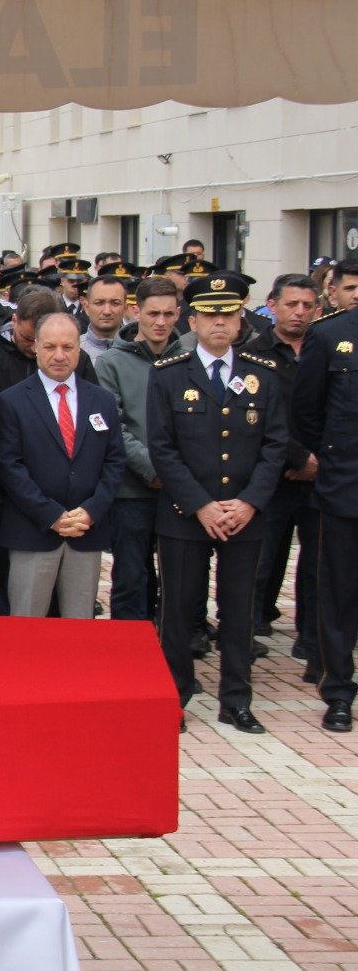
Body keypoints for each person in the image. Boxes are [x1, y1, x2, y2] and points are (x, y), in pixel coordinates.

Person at [147, 273, 287, 733]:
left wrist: (248, 503)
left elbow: (274, 446)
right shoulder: (169, 373)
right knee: (178, 611)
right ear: (193, 319)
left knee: (239, 611)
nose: (220, 323)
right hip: (186, 513)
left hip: (244, 515)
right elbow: (162, 449)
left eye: (228, 314)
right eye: (210, 314)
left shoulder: (262, 374)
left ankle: (236, 699)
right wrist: (201, 505)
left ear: (241, 316)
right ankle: (176, 695)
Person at [0, 314, 126, 617]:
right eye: (50, 346)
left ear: (79, 349)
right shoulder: (11, 401)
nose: (59, 355)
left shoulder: (102, 400)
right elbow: (9, 466)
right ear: (36, 347)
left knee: (78, 627)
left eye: (67, 347)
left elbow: (115, 460)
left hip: (85, 531)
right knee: (27, 626)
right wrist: (51, 514)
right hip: (33, 531)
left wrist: (92, 510)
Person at [94, 277, 187, 625]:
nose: (160, 322)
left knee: (180, 575)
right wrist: (153, 468)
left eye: (167, 314)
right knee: (131, 575)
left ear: (178, 313)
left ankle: (176, 640)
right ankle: (128, 647)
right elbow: (112, 426)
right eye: (153, 314)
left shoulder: (188, 359)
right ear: (136, 312)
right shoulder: (112, 363)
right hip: (131, 491)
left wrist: (175, 473)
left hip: (181, 489)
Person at [292, 258, 358, 732]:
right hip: (345, 485)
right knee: (337, 593)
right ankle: (338, 690)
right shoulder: (331, 334)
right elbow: (307, 412)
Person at [243, 275, 320, 651]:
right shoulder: (255, 353)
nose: (299, 312)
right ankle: (251, 627)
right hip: (273, 473)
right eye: (292, 304)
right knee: (263, 556)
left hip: (321, 474)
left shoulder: (325, 349)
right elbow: (256, 416)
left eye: (307, 305)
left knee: (317, 561)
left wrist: (317, 460)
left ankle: (311, 633)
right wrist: (297, 456)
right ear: (272, 305)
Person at [80, 275, 128, 361]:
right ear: (86, 307)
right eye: (99, 303)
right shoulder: (73, 349)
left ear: (125, 308)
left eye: (115, 303)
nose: (107, 311)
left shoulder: (139, 350)